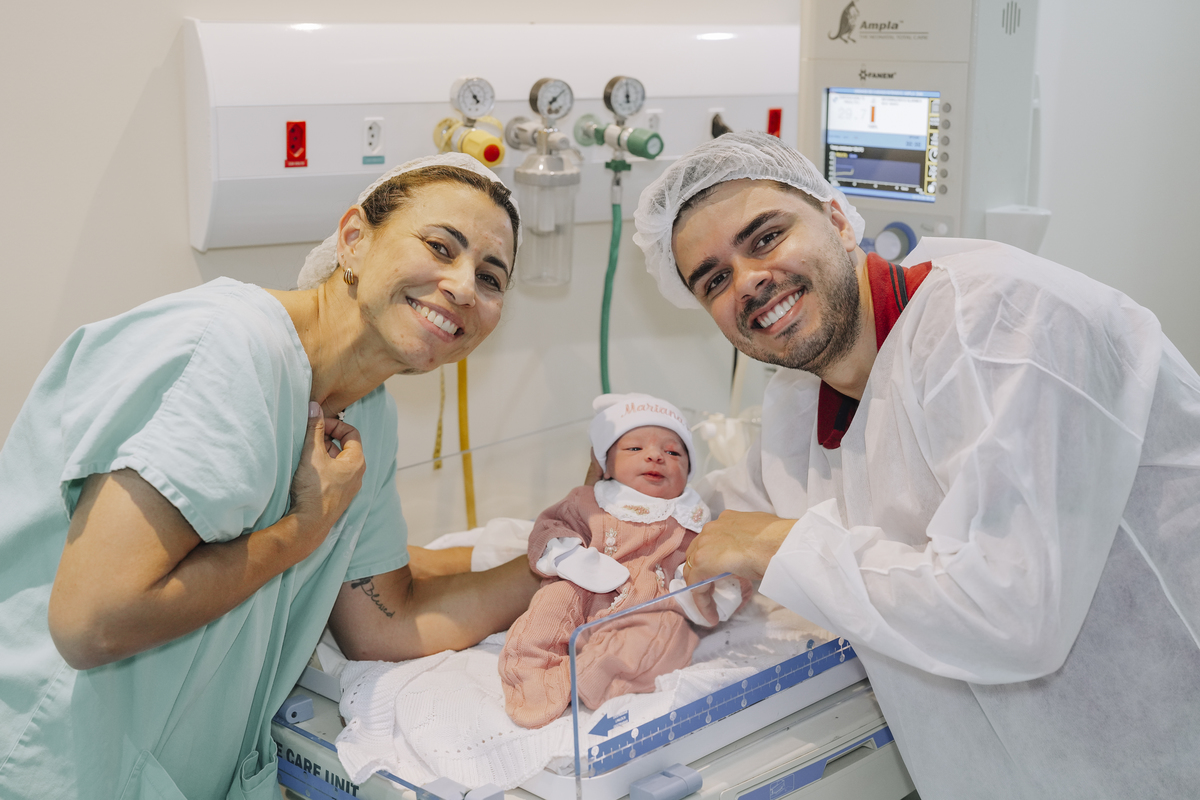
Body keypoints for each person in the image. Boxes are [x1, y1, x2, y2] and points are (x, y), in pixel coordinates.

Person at [632, 131, 1200, 799]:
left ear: (839, 219)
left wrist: (772, 545)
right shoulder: (800, 399)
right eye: (715, 280)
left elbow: (1011, 612)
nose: (748, 281)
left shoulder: (1002, 323)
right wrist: (579, 528)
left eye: (766, 237)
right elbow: (714, 520)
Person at [0, 153, 542, 800]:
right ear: (354, 239)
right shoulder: (228, 351)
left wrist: (564, 560)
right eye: (440, 247)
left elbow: (385, 622)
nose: (463, 287)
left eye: (490, 278)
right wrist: (302, 531)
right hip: (56, 767)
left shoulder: (367, 414)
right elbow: (93, 622)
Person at [498, 393, 744, 729]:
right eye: (634, 448)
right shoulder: (588, 500)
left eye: (673, 452)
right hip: (586, 585)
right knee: (550, 604)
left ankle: (588, 679)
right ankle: (532, 675)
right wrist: (572, 557)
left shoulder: (695, 519)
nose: (655, 456)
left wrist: (700, 589)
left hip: (653, 605)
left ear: (689, 472)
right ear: (606, 465)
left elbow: (721, 561)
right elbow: (548, 528)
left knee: (664, 637)